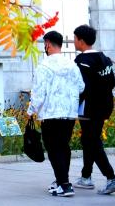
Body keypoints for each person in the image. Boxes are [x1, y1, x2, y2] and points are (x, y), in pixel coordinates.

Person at [28, 30, 85, 197]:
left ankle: (64, 184)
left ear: (47, 44)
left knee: (54, 149)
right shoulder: (72, 65)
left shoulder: (43, 66)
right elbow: (81, 87)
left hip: (50, 114)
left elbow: (38, 93)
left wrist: (31, 111)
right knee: (63, 147)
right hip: (69, 113)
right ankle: (62, 181)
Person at [72, 24, 115, 195]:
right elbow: (112, 82)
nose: (73, 42)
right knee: (89, 139)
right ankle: (86, 176)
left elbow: (81, 87)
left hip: (89, 107)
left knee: (92, 141)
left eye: (75, 38)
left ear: (81, 41)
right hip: (105, 105)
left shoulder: (82, 61)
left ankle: (111, 178)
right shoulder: (104, 59)